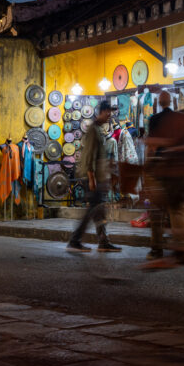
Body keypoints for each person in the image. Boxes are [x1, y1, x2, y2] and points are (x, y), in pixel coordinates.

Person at [144, 91, 184, 268]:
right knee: (179, 210)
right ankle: (183, 250)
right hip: (183, 172)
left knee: (156, 212)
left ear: (159, 102)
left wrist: (148, 168)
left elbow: (152, 148)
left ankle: (156, 249)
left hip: (163, 170)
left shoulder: (155, 120)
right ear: (171, 102)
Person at [67, 101, 121, 253]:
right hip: (91, 177)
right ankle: (75, 240)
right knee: (92, 210)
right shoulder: (93, 130)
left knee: (98, 210)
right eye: (108, 113)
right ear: (102, 112)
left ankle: (103, 241)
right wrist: (91, 178)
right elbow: (90, 155)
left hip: (98, 176)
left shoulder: (98, 129)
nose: (110, 116)